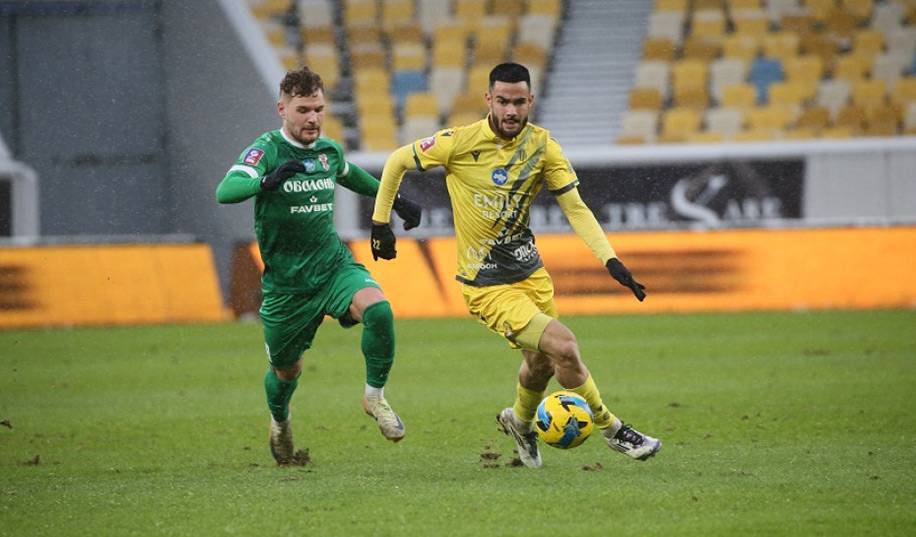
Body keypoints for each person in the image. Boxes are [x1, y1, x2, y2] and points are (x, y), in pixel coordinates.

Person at [370, 63, 660, 467]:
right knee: (565, 347)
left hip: (531, 275)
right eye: (503, 101)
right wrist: (380, 222)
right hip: (486, 284)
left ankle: (520, 423)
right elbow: (398, 160)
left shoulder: (543, 147)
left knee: (540, 365)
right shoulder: (458, 142)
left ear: (530, 101)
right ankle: (614, 430)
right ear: (488, 99)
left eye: (519, 102)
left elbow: (575, 207)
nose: (511, 111)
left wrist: (609, 259)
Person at [216, 67, 422, 465]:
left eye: (319, 109)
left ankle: (374, 397)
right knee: (286, 371)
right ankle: (280, 421)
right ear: (282, 109)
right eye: (303, 110)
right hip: (287, 285)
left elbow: (349, 175)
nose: (313, 118)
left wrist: (393, 199)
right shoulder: (266, 151)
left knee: (379, 310)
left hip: (332, 267)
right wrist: (266, 181)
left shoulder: (328, 151)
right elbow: (226, 191)